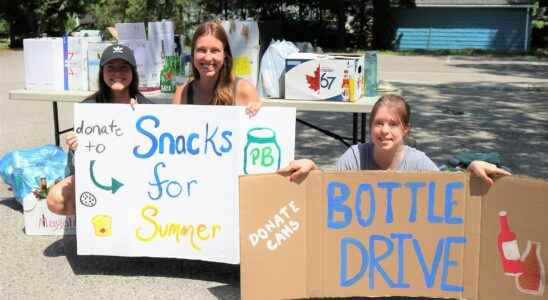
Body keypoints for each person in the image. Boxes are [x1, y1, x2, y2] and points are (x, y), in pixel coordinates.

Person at [280, 94, 511, 185]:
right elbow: (328, 191)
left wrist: (471, 167)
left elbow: (448, 192)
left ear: (406, 130)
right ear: (370, 127)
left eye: (393, 124)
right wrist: (312, 168)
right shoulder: (354, 156)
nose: (385, 130)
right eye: (379, 123)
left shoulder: (419, 162)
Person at [47, 44, 153, 215]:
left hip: (137, 178)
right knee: (55, 198)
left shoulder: (146, 107)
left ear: (133, 73)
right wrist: (75, 148)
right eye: (111, 68)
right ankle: (92, 231)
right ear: (102, 72)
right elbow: (74, 168)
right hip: (97, 177)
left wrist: (142, 118)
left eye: (124, 68)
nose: (117, 73)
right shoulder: (88, 108)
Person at [172, 21, 262, 115]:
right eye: (201, 50)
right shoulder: (182, 93)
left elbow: (259, 127)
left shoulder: (245, 90)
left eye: (215, 50)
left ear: (225, 55)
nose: (208, 57)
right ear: (193, 54)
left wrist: (258, 112)